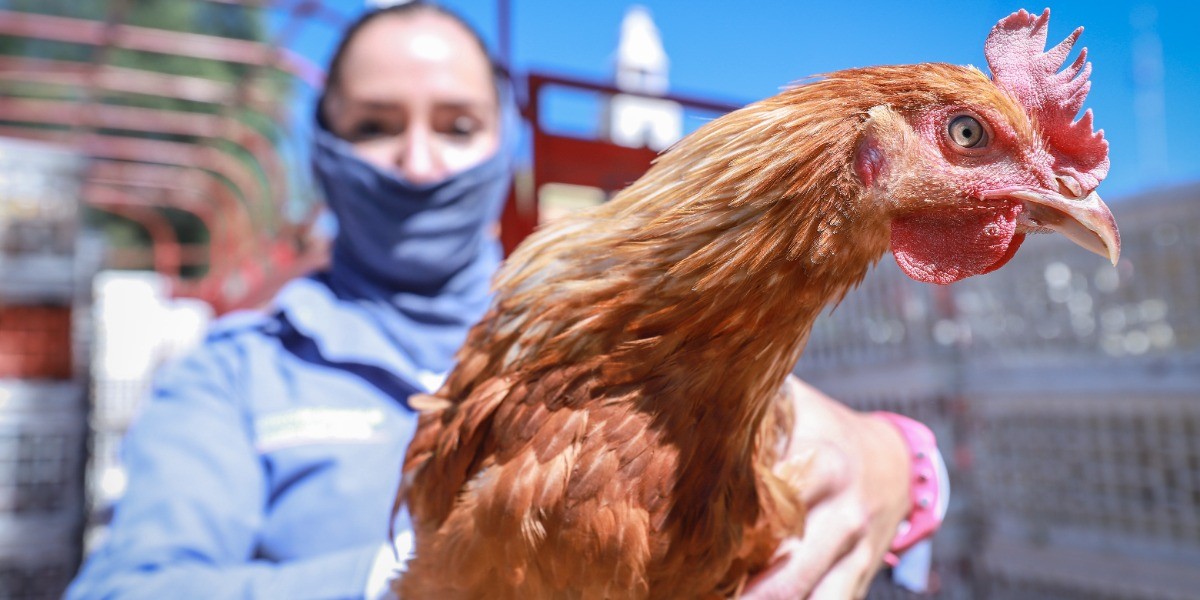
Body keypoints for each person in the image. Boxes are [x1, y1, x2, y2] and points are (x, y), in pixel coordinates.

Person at [67, 3, 932, 598]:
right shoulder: (238, 372)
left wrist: (896, 464)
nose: (416, 161)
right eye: (374, 125)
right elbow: (126, 588)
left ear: (503, 144)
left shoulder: (638, 333)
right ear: (323, 147)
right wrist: (427, 577)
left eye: (455, 127)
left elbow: (805, 446)